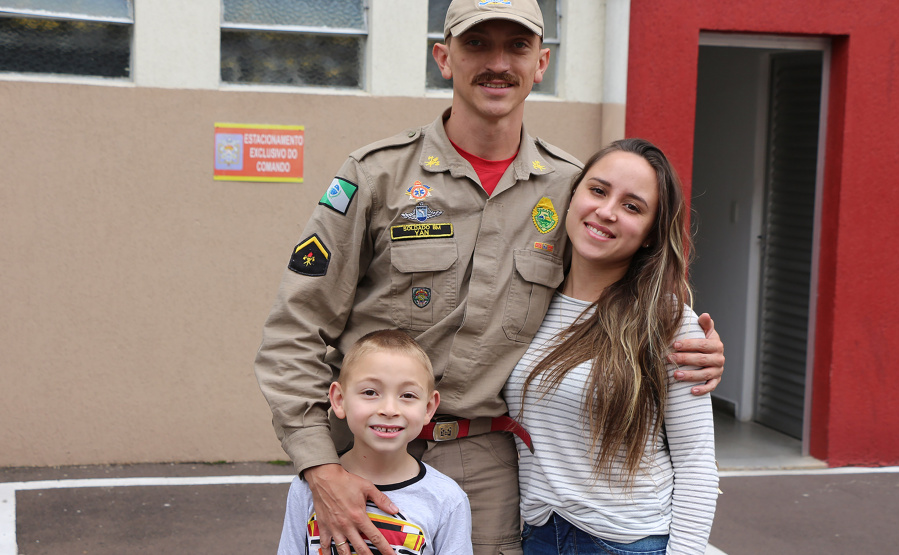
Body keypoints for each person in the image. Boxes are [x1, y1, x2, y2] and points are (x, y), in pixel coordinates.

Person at [255, 1, 725, 554]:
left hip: (485, 473)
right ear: (443, 57)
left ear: (541, 63)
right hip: (363, 458)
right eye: (477, 44)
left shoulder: (572, 189)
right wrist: (319, 466)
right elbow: (295, 330)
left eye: (517, 46)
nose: (498, 62)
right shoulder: (376, 175)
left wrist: (690, 341)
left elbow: (628, 281)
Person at [504, 139, 718, 555]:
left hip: (628, 543)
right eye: (598, 190)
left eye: (632, 206)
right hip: (539, 535)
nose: (606, 211)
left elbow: (696, 461)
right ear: (573, 196)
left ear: (649, 236)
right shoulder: (527, 303)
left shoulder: (669, 321)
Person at [277, 329, 472, 555]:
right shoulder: (308, 489)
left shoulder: (447, 500)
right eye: (370, 392)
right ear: (339, 400)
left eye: (408, 395)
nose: (389, 410)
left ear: (429, 408)